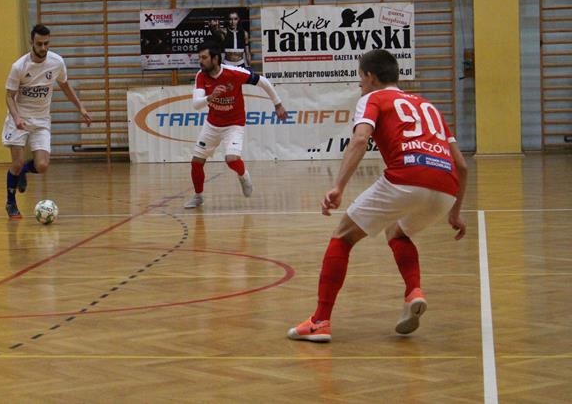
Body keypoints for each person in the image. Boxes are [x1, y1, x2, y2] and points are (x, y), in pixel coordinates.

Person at [287, 49, 467, 342]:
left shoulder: (373, 98)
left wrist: (338, 186)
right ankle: (413, 292)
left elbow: (360, 139)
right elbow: (461, 164)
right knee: (397, 232)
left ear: (370, 77)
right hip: (446, 186)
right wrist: (455, 212)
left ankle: (320, 321)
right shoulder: (428, 106)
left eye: (360, 77)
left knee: (343, 236)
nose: (360, 84)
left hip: (407, 176)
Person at [184, 37, 288, 208]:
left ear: (215, 58)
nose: (200, 61)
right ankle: (198, 196)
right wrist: (211, 97)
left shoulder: (234, 73)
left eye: (204, 57)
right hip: (212, 124)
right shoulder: (201, 76)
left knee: (231, 159)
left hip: (234, 123)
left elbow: (263, 81)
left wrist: (278, 104)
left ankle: (243, 175)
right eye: (199, 57)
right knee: (196, 162)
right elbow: (196, 104)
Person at [2, 23, 92, 218]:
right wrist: (16, 117)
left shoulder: (56, 62)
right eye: (39, 44)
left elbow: (65, 86)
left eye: (46, 44)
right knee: (16, 162)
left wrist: (81, 107)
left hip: (41, 120)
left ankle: (24, 171)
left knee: (42, 166)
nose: (43, 48)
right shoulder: (19, 66)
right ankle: (11, 203)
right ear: (31, 42)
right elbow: (9, 96)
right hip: (19, 118)